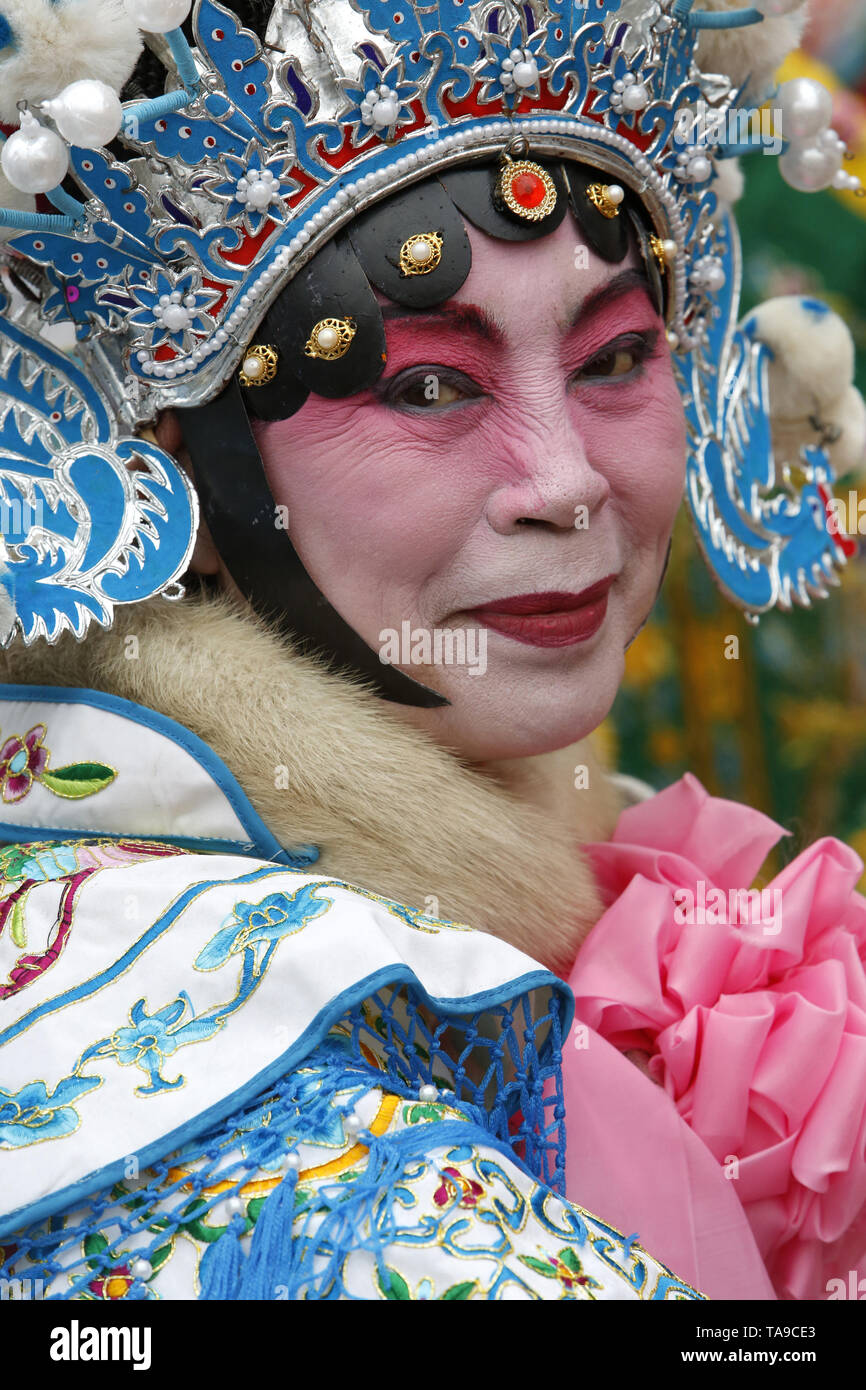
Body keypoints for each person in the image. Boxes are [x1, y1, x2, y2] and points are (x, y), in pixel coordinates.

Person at [0, 0, 862, 1302]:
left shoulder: (520, 845)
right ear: (163, 457)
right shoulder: (289, 1151)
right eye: (424, 386)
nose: (562, 482)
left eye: (617, 354)